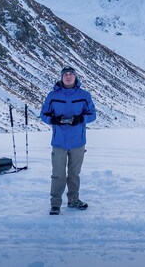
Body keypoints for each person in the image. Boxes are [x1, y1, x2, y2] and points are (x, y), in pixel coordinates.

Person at [40, 65, 97, 215]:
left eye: (71, 74)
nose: (68, 77)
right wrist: (54, 120)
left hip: (77, 142)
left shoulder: (84, 95)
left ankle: (73, 200)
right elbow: (43, 115)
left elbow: (93, 115)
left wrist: (80, 119)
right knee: (58, 174)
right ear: (61, 77)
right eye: (65, 74)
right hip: (59, 142)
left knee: (74, 173)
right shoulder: (52, 96)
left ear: (75, 76)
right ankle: (55, 204)